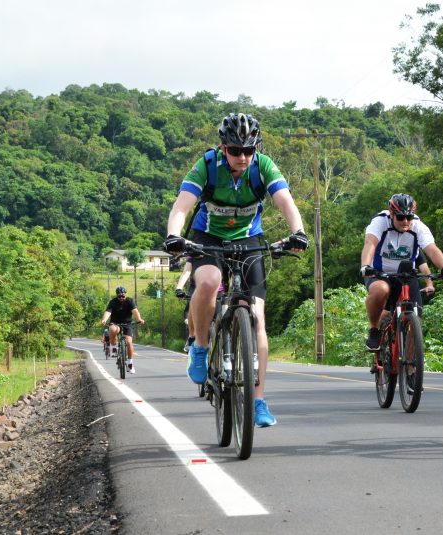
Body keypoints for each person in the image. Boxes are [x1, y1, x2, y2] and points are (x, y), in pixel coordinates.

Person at [164, 112, 309, 428]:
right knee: (208, 282)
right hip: (208, 238)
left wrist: (298, 232)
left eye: (248, 150)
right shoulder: (206, 166)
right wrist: (174, 236)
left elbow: (285, 201)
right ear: (223, 148)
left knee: (257, 319)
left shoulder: (263, 166)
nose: (242, 157)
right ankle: (200, 347)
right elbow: (181, 206)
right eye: (235, 150)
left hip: (248, 240)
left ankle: (258, 400)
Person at [360, 193, 443, 351]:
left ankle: (411, 364)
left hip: (405, 274)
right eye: (400, 217)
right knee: (380, 290)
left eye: (409, 217)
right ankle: (374, 330)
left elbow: (431, 249)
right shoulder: (380, 221)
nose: (405, 221)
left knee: (416, 316)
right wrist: (365, 266)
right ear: (391, 214)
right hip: (379, 272)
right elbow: (370, 243)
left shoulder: (417, 226)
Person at [100, 286, 145, 373]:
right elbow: (108, 312)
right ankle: (113, 348)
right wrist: (104, 319)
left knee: (129, 342)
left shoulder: (130, 301)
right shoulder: (113, 302)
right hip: (115, 323)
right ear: (117, 296)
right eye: (119, 296)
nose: (121, 298)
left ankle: (130, 364)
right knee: (112, 329)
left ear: (125, 295)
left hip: (127, 324)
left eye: (123, 296)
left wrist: (139, 319)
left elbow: (135, 311)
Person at [174, 259, 196, 353]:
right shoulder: (194, 253)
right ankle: (191, 337)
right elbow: (187, 271)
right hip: (196, 287)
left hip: (219, 288)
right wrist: (179, 288)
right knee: (192, 303)